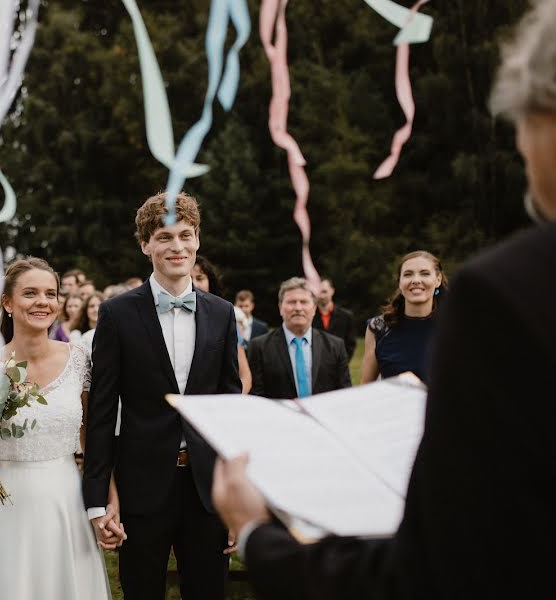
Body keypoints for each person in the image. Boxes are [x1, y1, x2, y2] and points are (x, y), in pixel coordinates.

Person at [211, 4, 556, 597]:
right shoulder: (383, 328)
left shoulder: (507, 298)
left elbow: (439, 565)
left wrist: (254, 537)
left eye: (521, 119)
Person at [84, 191, 242, 598]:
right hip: (142, 487)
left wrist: (237, 496)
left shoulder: (222, 313)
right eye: (165, 237)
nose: (177, 246)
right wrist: (97, 499)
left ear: (197, 241)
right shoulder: (117, 314)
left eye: (186, 235)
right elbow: (102, 410)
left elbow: (230, 410)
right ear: (145, 245)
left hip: (208, 490)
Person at [0, 258, 112, 599]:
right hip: (8, 503)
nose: (43, 301)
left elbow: (93, 440)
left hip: (67, 500)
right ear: (8, 302)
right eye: (30, 293)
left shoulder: (79, 359)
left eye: (50, 293)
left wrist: (107, 500)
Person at [248, 277, 351, 399]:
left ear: (314, 308)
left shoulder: (335, 346)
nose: (298, 308)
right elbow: (256, 398)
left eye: (304, 302)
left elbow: (345, 396)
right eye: (291, 302)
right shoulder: (259, 347)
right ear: (280, 307)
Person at [361, 251, 447, 384]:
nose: (416, 280)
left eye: (424, 273)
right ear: (399, 283)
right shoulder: (379, 328)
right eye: (408, 274)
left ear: (438, 280)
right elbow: (366, 389)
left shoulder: (454, 326)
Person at [194, 255, 253, 395]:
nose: (194, 284)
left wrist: (229, 407)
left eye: (200, 278)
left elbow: (245, 377)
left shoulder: (224, 318)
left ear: (210, 281)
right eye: (188, 278)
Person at [312, 278, 358, 360]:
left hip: (339, 366)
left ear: (332, 291)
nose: (321, 296)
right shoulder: (309, 316)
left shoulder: (346, 316)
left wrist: (342, 363)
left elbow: (350, 344)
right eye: (319, 292)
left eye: (324, 291)